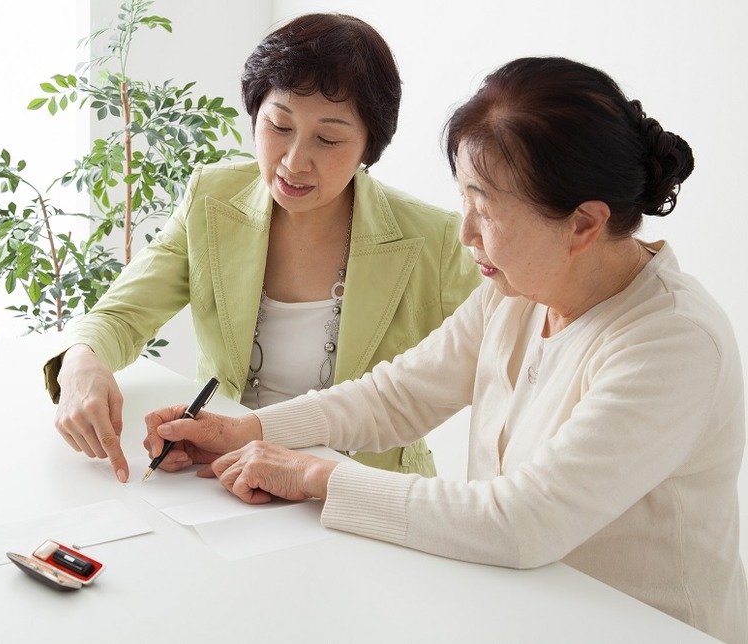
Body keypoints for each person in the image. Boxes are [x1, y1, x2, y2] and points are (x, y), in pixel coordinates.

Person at [141, 56, 748, 642]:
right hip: (521, 607)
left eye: (486, 209)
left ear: (585, 223)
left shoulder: (671, 344)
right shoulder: (519, 287)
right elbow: (400, 394)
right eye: (465, 198)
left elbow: (520, 521)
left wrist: (312, 475)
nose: (465, 233)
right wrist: (245, 429)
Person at [42, 13, 481, 483]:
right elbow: (122, 314)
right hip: (222, 479)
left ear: (368, 148)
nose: (294, 162)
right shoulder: (212, 200)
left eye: (328, 139)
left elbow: (513, 353)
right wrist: (81, 360)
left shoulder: (433, 240)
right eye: (279, 126)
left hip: (360, 493)